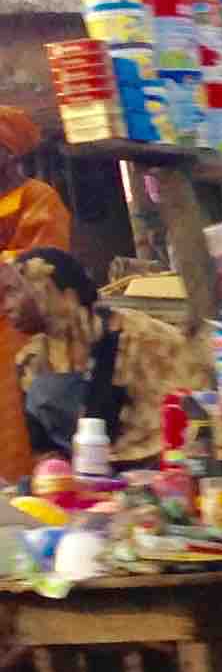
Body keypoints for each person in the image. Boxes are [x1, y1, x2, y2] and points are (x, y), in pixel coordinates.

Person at [5, 248, 198, 467]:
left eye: (13, 292)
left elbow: (190, 422)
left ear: (49, 289)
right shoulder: (30, 361)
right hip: (87, 477)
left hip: (154, 467)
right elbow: (44, 449)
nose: (6, 307)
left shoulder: (140, 337)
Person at [0, 111, 76, 482]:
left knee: (18, 430)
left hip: (20, 335)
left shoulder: (38, 197)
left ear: (10, 153)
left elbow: (38, 264)